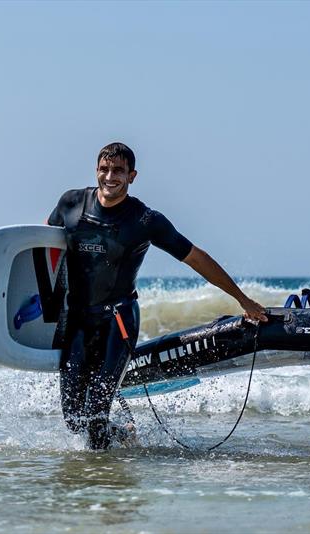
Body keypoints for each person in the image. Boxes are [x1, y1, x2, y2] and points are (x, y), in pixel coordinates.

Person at [47, 142, 267, 450]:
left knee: (96, 415)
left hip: (117, 321)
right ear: (96, 170)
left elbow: (195, 258)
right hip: (77, 322)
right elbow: (43, 248)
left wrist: (242, 299)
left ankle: (102, 488)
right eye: (104, 169)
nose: (110, 177)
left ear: (132, 176)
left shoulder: (144, 220)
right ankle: (122, 436)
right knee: (73, 419)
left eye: (119, 171)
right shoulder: (70, 203)